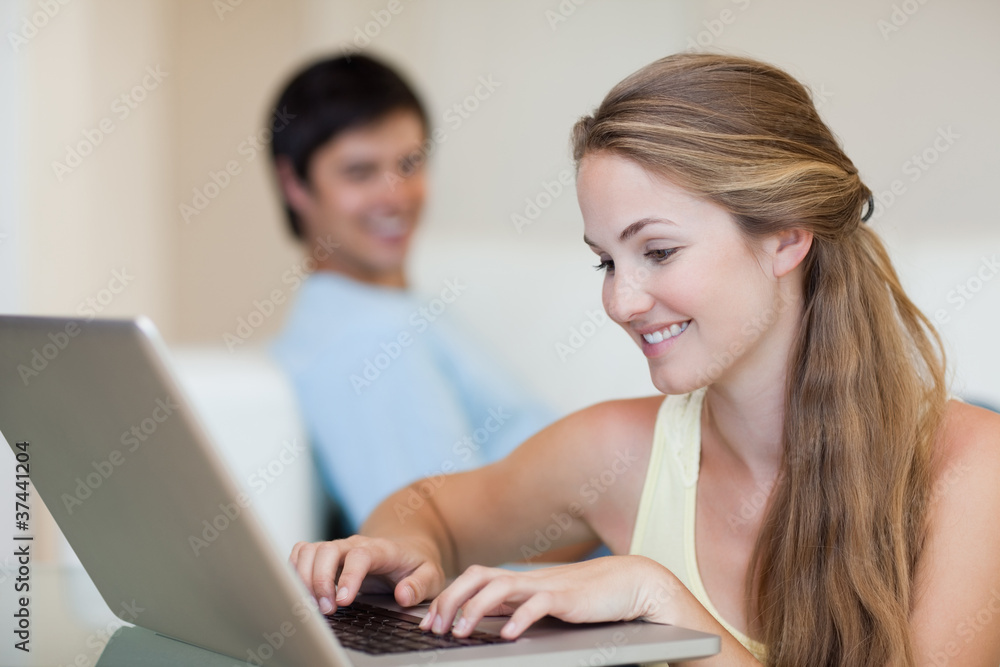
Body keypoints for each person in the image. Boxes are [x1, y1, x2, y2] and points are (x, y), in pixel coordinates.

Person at [288, 53, 1000, 666]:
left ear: (787, 235)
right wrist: (399, 549)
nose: (622, 302)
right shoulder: (616, 454)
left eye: (657, 251)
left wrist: (660, 600)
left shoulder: (969, 471)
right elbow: (425, 507)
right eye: (606, 261)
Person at [268, 54, 555, 534]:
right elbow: (450, 544)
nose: (396, 195)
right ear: (293, 182)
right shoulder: (370, 341)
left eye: (409, 163)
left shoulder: (396, 314)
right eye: (360, 172)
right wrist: (617, 505)